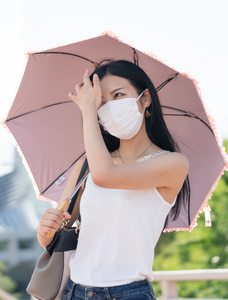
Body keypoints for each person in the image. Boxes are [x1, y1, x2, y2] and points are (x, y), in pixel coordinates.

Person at [37, 60, 190, 300]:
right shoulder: (87, 165)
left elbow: (106, 176)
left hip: (128, 293)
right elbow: (51, 239)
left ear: (145, 98)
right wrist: (46, 227)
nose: (108, 107)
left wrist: (88, 111)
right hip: (74, 291)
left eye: (118, 95)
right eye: (101, 102)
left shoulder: (172, 164)